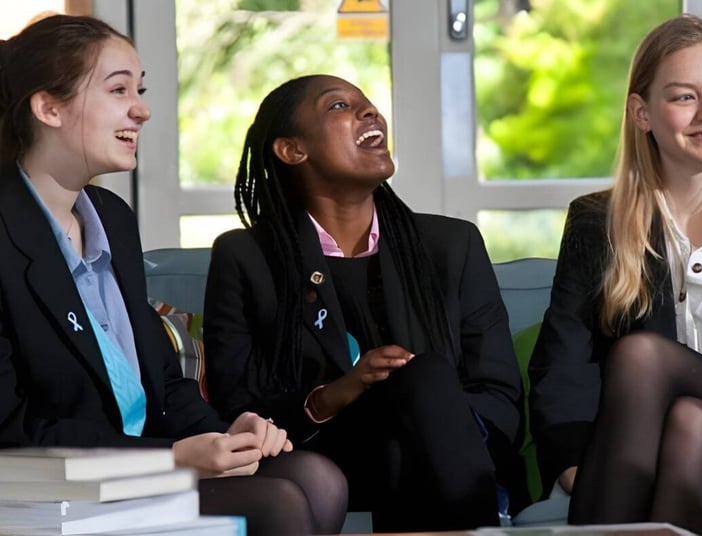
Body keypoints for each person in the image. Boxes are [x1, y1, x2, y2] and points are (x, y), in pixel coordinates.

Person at [0, 14, 347, 535]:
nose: (141, 110)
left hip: (141, 466)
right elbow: (13, 427)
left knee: (317, 476)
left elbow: (161, 380)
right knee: (278, 502)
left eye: (139, 90)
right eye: (118, 90)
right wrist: (175, 457)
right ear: (48, 107)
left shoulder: (111, 220)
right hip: (48, 487)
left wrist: (226, 436)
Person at [202, 73, 526, 531]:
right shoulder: (248, 257)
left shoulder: (451, 245)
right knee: (422, 384)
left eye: (367, 103)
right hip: (327, 453)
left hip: (449, 450)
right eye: (338, 106)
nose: (370, 111)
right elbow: (238, 405)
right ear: (293, 150)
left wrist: (430, 411)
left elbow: (498, 392)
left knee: (424, 382)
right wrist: (337, 393)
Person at [529, 13, 702, 536]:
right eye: (684, 97)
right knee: (688, 423)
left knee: (641, 354)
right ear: (642, 112)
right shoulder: (596, 222)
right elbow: (563, 364)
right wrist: (572, 468)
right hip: (639, 435)